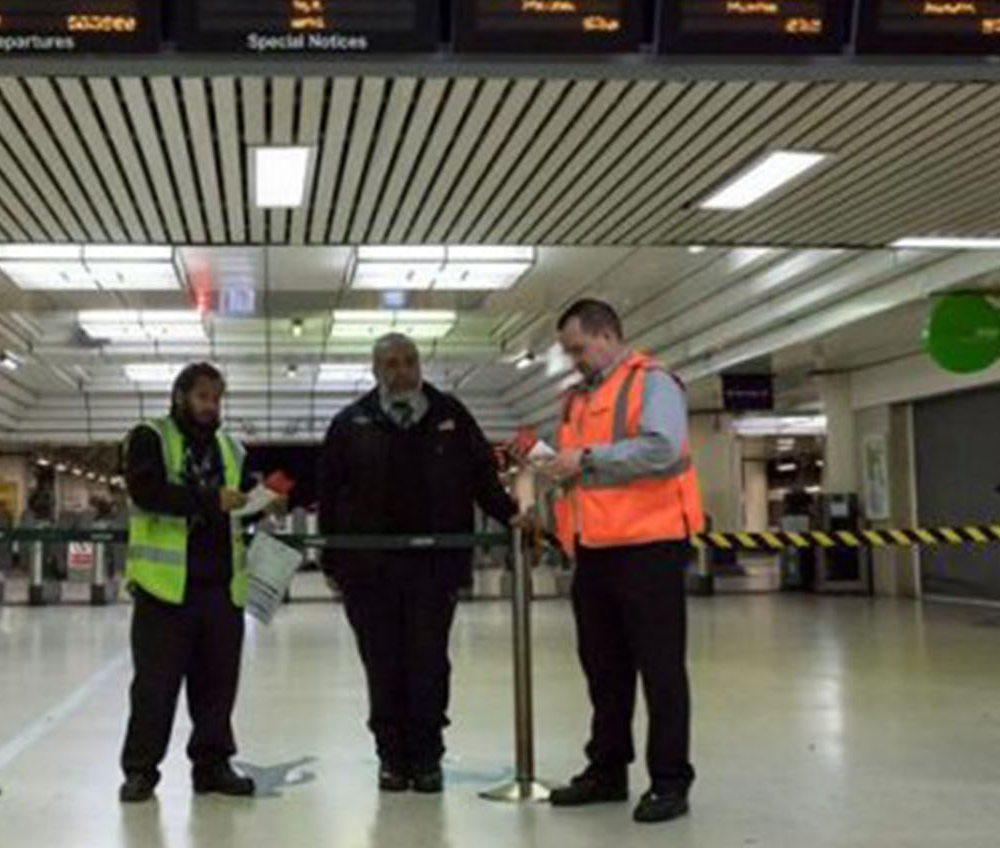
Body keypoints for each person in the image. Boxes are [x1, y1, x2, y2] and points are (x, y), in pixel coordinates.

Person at [294, 332, 519, 793]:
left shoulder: (451, 416)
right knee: (382, 663)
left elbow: (483, 478)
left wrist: (516, 517)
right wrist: (331, 563)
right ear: (376, 370)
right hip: (368, 573)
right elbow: (329, 497)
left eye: (410, 361)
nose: (402, 371)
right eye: (391, 364)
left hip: (434, 571)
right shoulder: (349, 423)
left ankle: (427, 755)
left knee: (428, 661)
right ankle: (392, 757)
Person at [515, 298, 704, 824]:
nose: (573, 359)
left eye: (577, 348)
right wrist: (550, 477)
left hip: (650, 548)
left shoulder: (654, 382)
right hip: (594, 553)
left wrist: (588, 459)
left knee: (660, 672)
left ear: (605, 335)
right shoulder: (577, 399)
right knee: (604, 671)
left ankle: (669, 781)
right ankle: (607, 771)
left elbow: (664, 448)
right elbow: (581, 475)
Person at [117, 362, 256, 803]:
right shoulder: (150, 437)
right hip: (165, 590)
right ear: (180, 397)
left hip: (221, 588)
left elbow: (244, 496)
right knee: (155, 688)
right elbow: (147, 492)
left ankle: (212, 765)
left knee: (217, 686)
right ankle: (141, 771)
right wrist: (210, 499)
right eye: (202, 397)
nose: (210, 406)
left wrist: (264, 500)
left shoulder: (231, 448)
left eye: (216, 398)